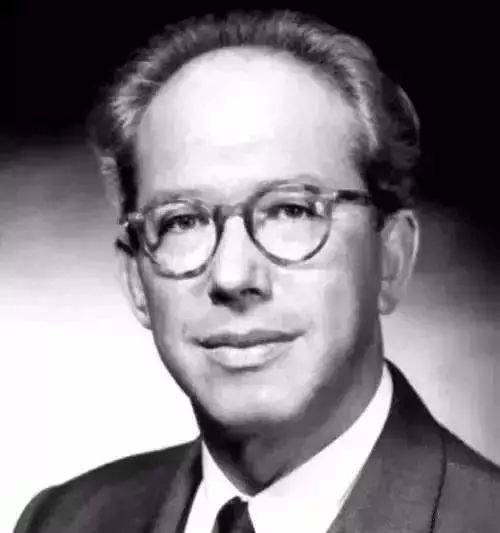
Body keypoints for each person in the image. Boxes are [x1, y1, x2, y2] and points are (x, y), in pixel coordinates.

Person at [15, 9, 500, 533]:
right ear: (136, 280)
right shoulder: (61, 520)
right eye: (182, 221)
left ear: (390, 259)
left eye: (291, 210)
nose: (232, 277)